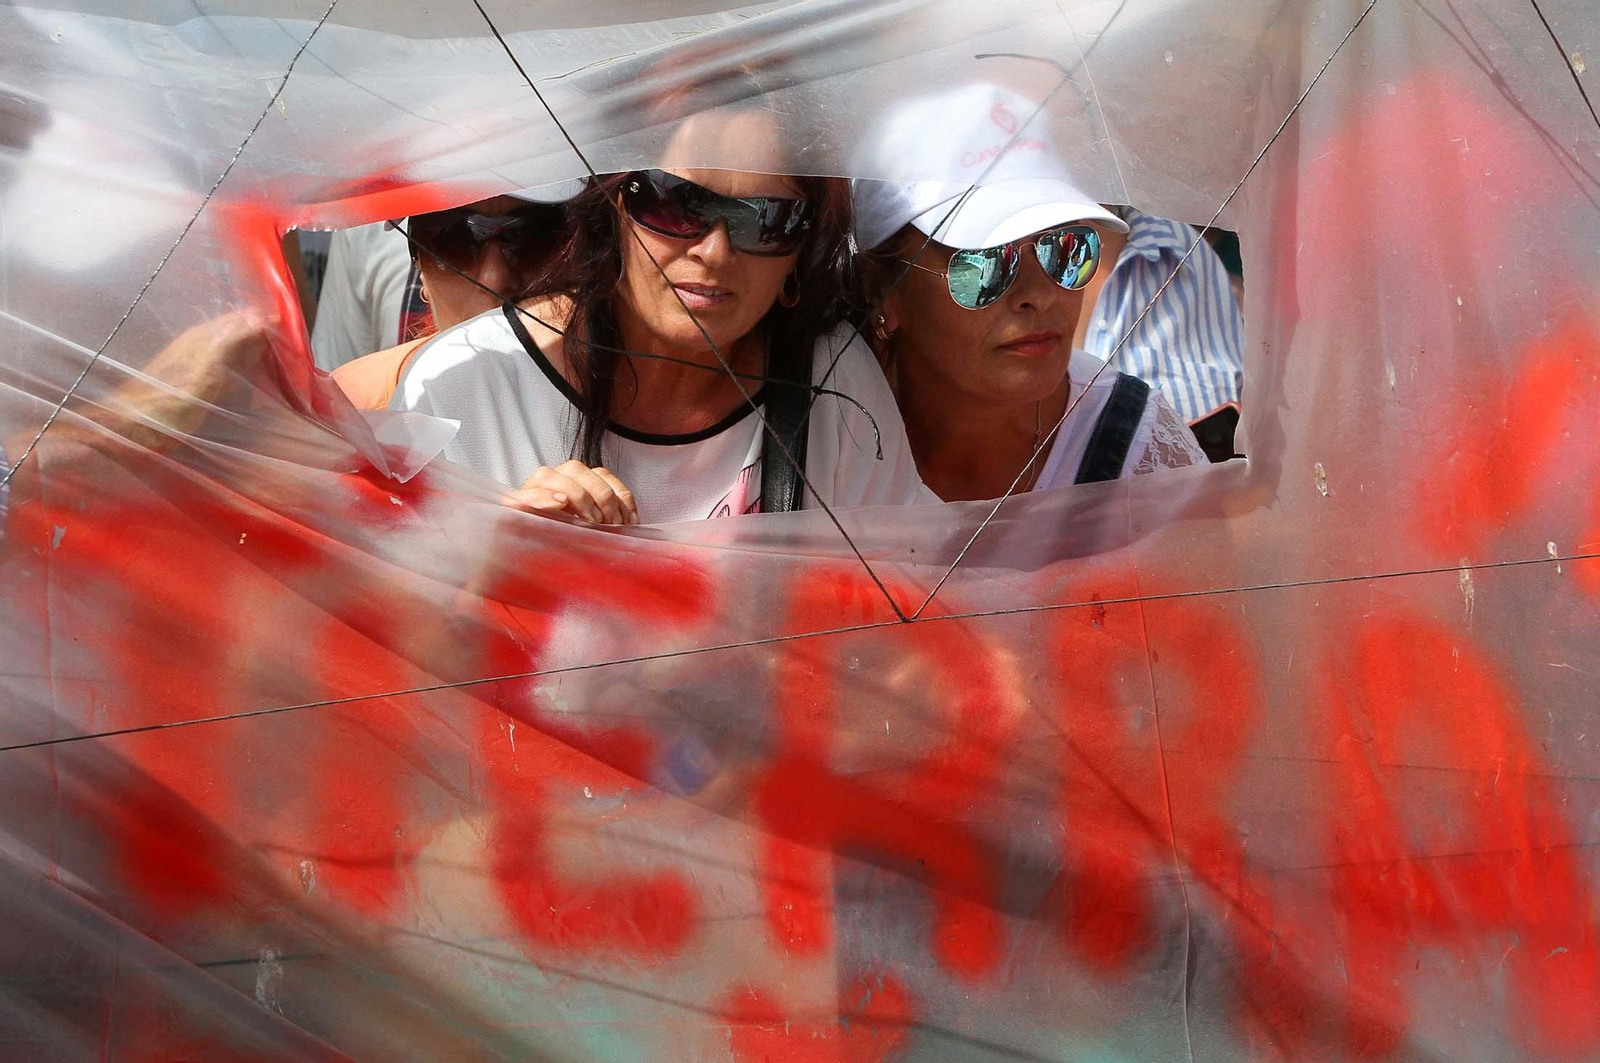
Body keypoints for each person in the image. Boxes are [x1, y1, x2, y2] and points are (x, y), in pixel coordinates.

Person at [357, 107, 929, 526]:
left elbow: (884, 628)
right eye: (678, 203)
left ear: (800, 256)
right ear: (615, 204)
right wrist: (500, 558)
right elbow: (395, 660)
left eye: (767, 220)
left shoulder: (836, 387)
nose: (715, 251)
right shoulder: (462, 384)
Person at [852, 84, 1207, 503]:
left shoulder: (1138, 453)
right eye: (985, 263)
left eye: (1066, 250)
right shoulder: (821, 439)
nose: (1039, 295)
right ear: (881, 289)